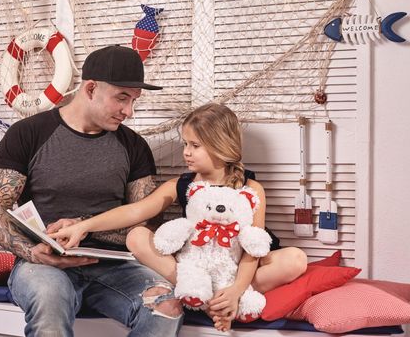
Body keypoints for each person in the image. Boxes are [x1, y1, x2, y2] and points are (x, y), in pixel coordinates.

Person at [0, 45, 184, 337]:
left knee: (166, 304)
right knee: (49, 301)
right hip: (43, 264)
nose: (129, 111)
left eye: (134, 100)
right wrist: (33, 252)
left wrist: (84, 229)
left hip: (113, 267)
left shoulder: (133, 146)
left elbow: (145, 224)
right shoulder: (27, 134)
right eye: (122, 98)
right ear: (90, 89)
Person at [49, 103, 308, 331]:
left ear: (221, 147)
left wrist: (237, 288)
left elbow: (254, 248)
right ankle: (203, 298)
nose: (186, 152)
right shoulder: (181, 184)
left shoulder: (251, 189)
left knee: (295, 259)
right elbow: (135, 211)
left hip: (238, 269)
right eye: (185, 144)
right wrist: (85, 226)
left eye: (194, 146)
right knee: (138, 235)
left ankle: (225, 299)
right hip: (195, 268)